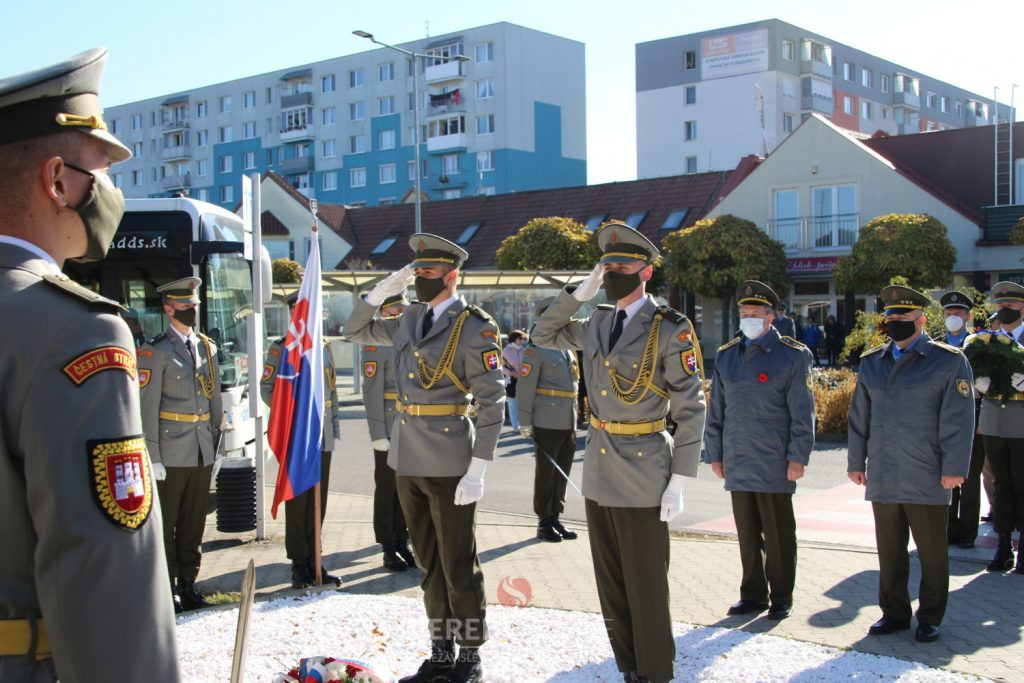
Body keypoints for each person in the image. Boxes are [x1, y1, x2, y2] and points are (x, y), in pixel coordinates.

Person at [0, 47, 181, 682]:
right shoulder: (75, 330)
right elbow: (105, 574)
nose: (112, 193)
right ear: (58, 181)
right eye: (102, 172)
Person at [532, 222, 706, 683]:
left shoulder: (670, 328)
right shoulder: (597, 322)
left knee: (646, 583)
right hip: (600, 467)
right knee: (610, 583)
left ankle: (655, 673)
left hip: (645, 469)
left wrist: (680, 479)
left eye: (622, 266)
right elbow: (543, 334)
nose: (612, 273)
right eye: (606, 266)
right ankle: (629, 667)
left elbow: (691, 408)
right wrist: (579, 293)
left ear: (645, 272)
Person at [343, 234, 506, 683]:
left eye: (428, 273)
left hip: (451, 459)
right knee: (428, 563)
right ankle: (440, 651)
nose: (419, 280)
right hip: (407, 456)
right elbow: (353, 330)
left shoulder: (475, 327)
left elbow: (493, 402)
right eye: (416, 273)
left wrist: (479, 467)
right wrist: (380, 292)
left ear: (452, 276)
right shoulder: (409, 316)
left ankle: (469, 654)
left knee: (458, 563)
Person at [848, 285, 974, 644]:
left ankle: (930, 616)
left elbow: (959, 420)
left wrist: (954, 467)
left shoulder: (948, 361)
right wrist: (856, 461)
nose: (894, 322)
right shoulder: (873, 362)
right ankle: (894, 612)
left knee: (932, 553)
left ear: (921, 321)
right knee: (889, 551)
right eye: (890, 317)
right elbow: (859, 417)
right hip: (885, 472)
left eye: (902, 317)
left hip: (927, 472)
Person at [704, 281, 815, 621]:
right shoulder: (727, 355)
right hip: (738, 458)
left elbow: (803, 413)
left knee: (779, 536)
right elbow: (717, 409)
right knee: (748, 535)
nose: (748, 318)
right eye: (744, 313)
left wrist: (798, 456)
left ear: (770, 317)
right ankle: (752, 595)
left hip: (774, 461)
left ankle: (781, 596)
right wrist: (715, 453)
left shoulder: (792, 355)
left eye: (754, 313)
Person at [139, 276, 223, 611]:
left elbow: (214, 399)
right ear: (169, 309)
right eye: (186, 305)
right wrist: (153, 456)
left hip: (201, 448)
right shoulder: (155, 351)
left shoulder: (206, 347)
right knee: (167, 522)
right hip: (171, 451)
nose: (192, 309)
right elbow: (146, 408)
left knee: (194, 521)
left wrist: (217, 445)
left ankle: (189, 582)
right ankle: (168, 585)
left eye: (194, 304)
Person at [261, 291, 342, 588]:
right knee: (298, 501)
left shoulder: (324, 345)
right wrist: (296, 415)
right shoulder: (282, 347)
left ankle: (314, 559)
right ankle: (298, 562)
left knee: (319, 500)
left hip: (322, 434)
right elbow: (268, 389)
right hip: (297, 435)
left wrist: (334, 427)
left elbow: (331, 391)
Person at [359, 293, 416, 572]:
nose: (402, 314)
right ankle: (387, 545)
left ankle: (402, 540)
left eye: (404, 309)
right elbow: (371, 392)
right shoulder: (376, 344)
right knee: (386, 488)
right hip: (388, 424)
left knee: (405, 487)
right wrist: (376, 433)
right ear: (384, 313)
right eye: (397, 310)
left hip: (411, 424)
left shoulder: (411, 338)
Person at [517, 297, 580, 543]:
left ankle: (555, 517)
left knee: (562, 472)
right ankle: (543, 522)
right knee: (546, 473)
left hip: (568, 418)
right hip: (547, 418)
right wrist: (525, 421)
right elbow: (525, 387)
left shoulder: (566, 347)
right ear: (545, 317)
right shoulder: (536, 348)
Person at [972, 281, 1024, 573]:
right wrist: (978, 385)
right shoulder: (984, 341)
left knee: (1022, 484)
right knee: (1000, 484)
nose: (1005, 310)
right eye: (1001, 305)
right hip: (993, 421)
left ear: (1022, 308)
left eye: (1010, 305)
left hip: (1022, 422)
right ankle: (1003, 548)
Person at [940, 291, 986, 549]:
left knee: (969, 479)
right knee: (945, 479)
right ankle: (948, 529)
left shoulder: (979, 345)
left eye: (957, 313)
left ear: (968, 316)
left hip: (972, 421)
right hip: (942, 422)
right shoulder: (935, 345)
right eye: (948, 313)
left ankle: (968, 532)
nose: (952, 317)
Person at [502, 329, 526, 429]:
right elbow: (500, 366)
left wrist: (524, 372)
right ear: (514, 339)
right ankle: (515, 426)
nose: (522, 340)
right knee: (512, 403)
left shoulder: (524, 349)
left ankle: (523, 424)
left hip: (523, 379)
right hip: (511, 380)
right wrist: (511, 373)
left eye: (523, 338)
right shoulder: (506, 350)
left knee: (523, 403)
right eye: (520, 338)